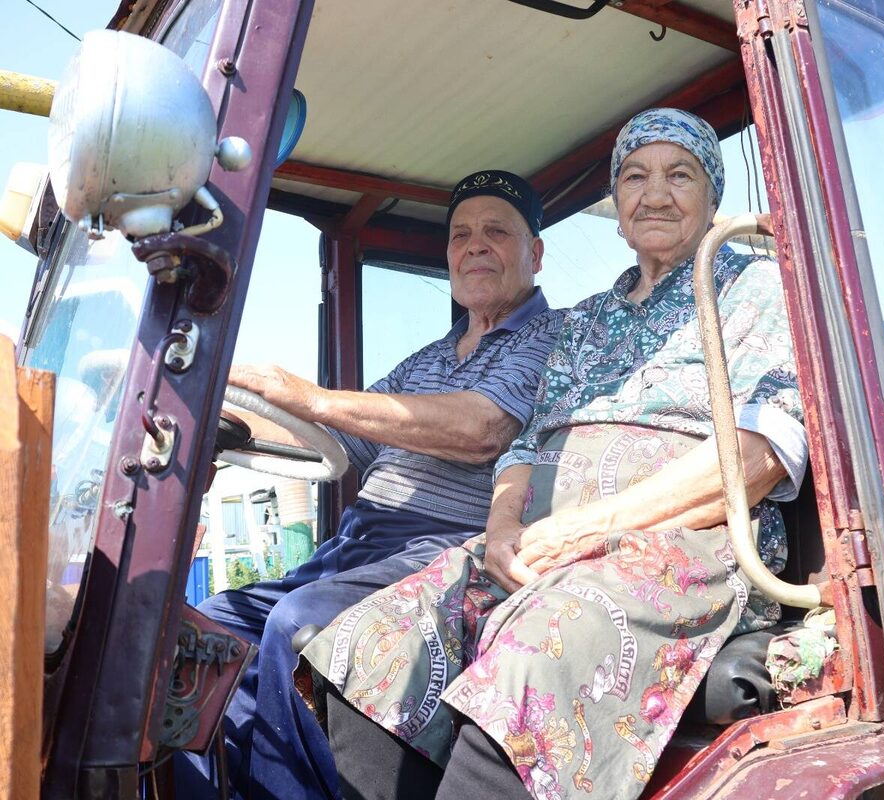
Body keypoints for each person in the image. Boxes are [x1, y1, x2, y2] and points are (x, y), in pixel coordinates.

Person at [294, 108, 810, 800]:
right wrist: (505, 530)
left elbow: (759, 454)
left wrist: (592, 526)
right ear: (618, 209)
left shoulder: (753, 287)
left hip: (685, 545)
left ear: (713, 196)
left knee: (534, 656)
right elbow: (529, 445)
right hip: (552, 543)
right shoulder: (589, 318)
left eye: (678, 175)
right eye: (635, 177)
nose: (654, 194)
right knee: (372, 641)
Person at [177, 170, 565, 800]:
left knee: (300, 624)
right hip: (357, 545)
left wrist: (309, 395)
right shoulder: (428, 358)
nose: (476, 245)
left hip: (445, 546)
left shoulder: (554, 338)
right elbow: (338, 437)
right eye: (462, 234)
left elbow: (484, 429)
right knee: (199, 632)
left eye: (497, 231)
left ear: (535, 253)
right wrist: (210, 411)